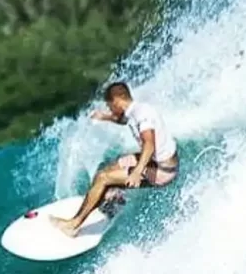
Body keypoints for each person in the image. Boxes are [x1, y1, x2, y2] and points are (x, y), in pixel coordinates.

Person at [51, 81, 179, 237]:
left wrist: (137, 171)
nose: (110, 109)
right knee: (113, 166)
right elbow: (124, 120)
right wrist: (104, 117)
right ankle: (112, 201)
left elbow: (149, 144)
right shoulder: (134, 110)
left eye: (110, 106)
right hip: (156, 161)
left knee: (103, 178)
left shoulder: (142, 115)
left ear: (117, 100)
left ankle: (73, 225)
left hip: (163, 170)